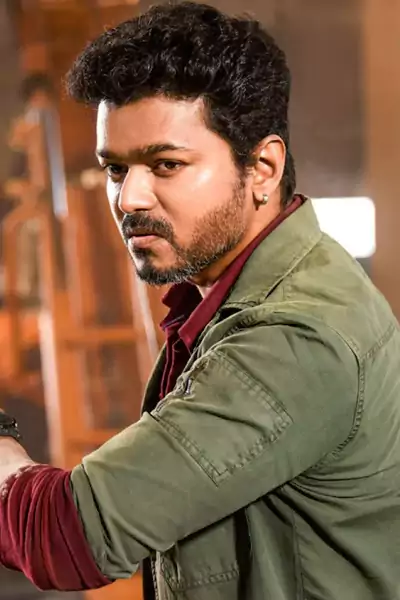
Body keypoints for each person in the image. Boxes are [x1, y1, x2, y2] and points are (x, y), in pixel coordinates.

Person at [1, 2, 400, 599]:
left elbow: (65, 535)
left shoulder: (293, 336)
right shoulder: (230, 294)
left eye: (166, 164)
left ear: (262, 168)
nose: (129, 198)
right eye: (115, 169)